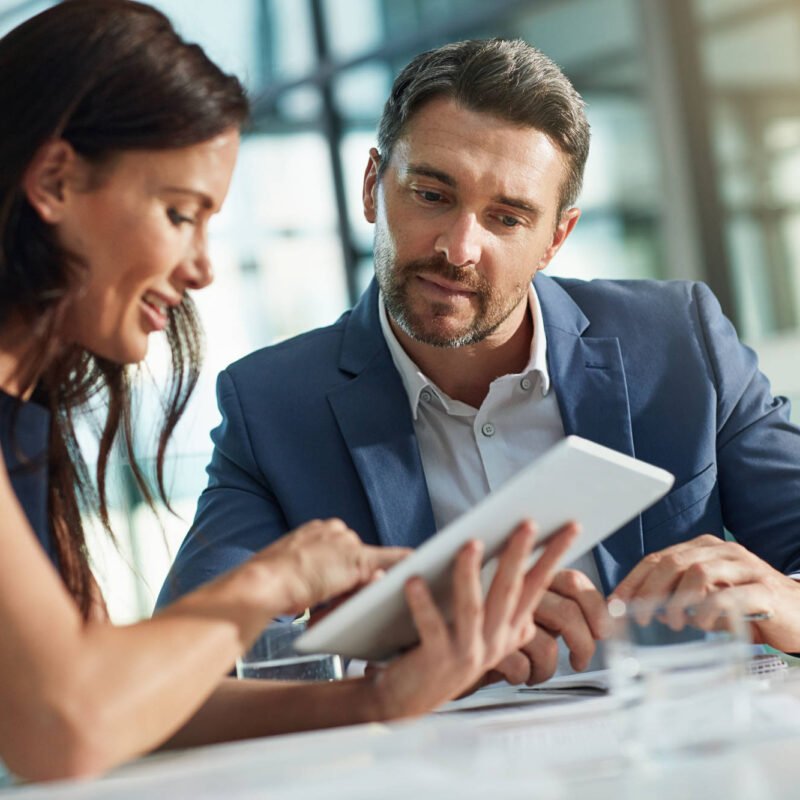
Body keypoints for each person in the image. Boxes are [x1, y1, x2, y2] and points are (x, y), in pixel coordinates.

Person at [0, 3, 578, 783]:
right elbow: (66, 724)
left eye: (506, 216)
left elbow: (118, 699)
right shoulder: (265, 405)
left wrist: (377, 699)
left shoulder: (25, 413)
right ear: (55, 179)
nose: (203, 267)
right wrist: (274, 580)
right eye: (180, 214)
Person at [158, 36, 800, 676]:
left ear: (556, 237)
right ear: (372, 186)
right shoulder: (272, 406)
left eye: (508, 218)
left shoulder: (679, 344)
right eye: (432, 196)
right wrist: (402, 655)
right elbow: (188, 661)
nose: (459, 248)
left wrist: (790, 602)